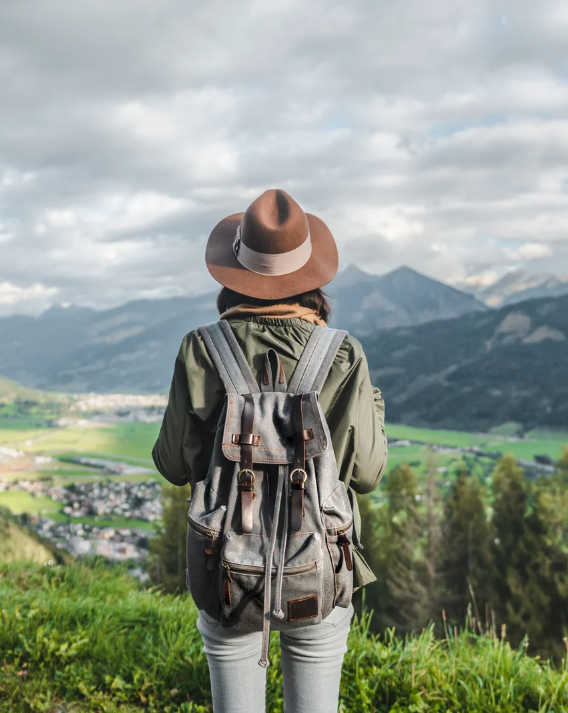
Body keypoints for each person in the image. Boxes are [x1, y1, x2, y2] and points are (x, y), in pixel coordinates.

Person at [152, 189, 388, 713]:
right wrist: (370, 402)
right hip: (320, 566)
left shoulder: (200, 348)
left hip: (226, 569)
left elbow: (172, 464)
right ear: (311, 276)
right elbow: (368, 474)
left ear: (234, 271)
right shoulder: (342, 352)